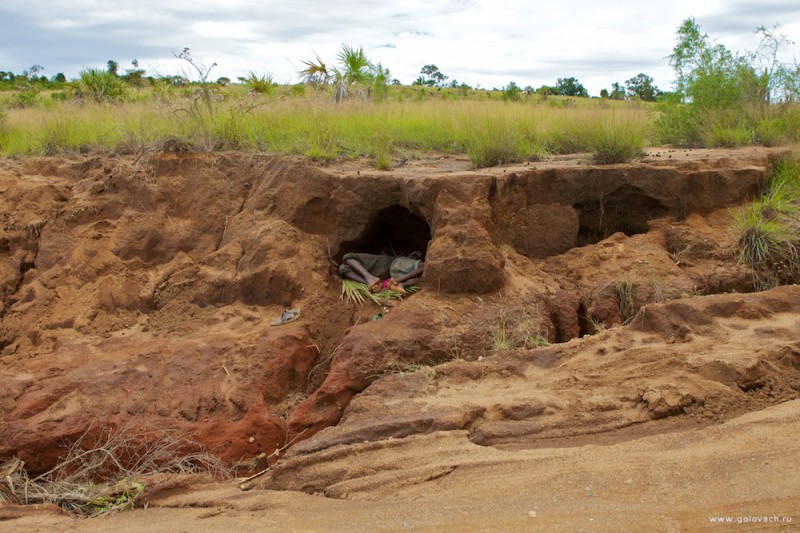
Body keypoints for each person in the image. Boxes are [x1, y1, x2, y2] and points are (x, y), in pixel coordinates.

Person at [339, 251, 424, 294]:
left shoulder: (413, 272)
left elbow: (425, 269)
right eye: (415, 255)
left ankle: (374, 282)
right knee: (343, 266)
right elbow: (424, 266)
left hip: (389, 277)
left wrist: (400, 281)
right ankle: (370, 279)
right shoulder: (401, 261)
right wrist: (399, 280)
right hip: (389, 264)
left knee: (345, 263)